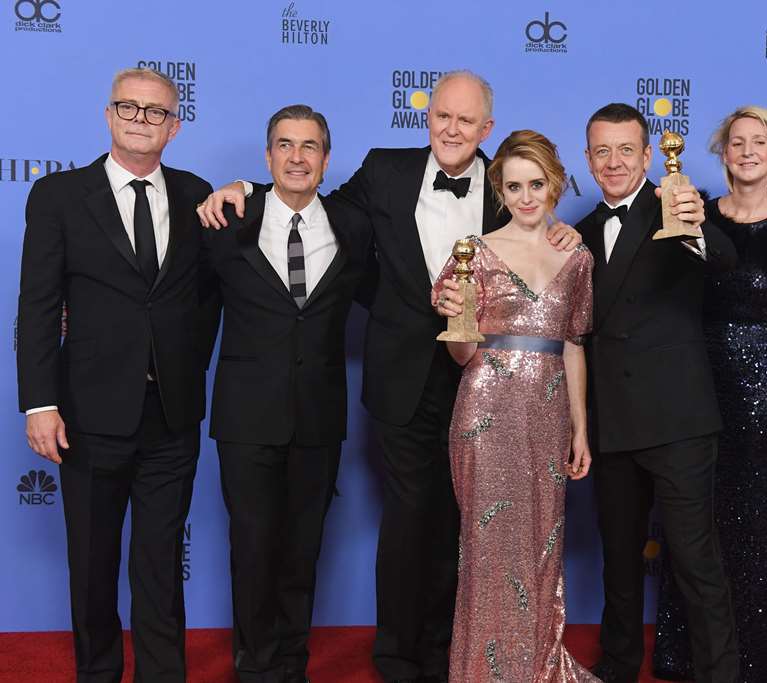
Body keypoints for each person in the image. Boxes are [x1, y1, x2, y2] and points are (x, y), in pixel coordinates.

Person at [195, 70, 579, 682]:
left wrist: (560, 225)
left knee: (467, 520)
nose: (451, 129)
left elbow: (537, 228)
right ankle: (398, 656)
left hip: (489, 382)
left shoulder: (503, 185)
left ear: (486, 128)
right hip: (402, 376)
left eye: (465, 120)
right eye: (442, 116)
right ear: (427, 116)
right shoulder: (383, 170)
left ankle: (452, 653)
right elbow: (309, 201)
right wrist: (246, 187)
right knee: (408, 516)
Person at [16, 67, 213, 682]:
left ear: (174, 127)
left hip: (171, 416)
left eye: (156, 111)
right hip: (88, 414)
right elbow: (38, 305)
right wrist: (39, 402)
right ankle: (97, 674)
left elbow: (207, 297)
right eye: (128, 107)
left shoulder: (196, 194)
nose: (140, 119)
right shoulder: (59, 196)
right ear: (108, 115)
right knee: (92, 564)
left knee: (160, 566)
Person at [200, 105, 373, 683]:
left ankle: (292, 666)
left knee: (303, 552)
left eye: (309, 146)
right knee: (252, 551)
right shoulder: (228, 219)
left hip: (319, 416)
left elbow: (389, 292)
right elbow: (181, 304)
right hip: (246, 418)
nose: (297, 157)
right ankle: (255, 668)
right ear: (268, 155)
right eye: (285, 145)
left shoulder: (352, 225)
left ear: (326, 158)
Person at [652, 106, 767, 683]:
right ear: (723, 152)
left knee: (752, 534)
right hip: (693, 389)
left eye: (759, 142)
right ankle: (686, 657)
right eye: (737, 142)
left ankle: (755, 664)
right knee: (689, 528)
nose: (747, 151)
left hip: (762, 397)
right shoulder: (692, 212)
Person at [577, 103, 740, 683]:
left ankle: (720, 674)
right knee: (619, 561)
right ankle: (618, 666)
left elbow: (724, 258)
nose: (614, 162)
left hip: (677, 421)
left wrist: (696, 226)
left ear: (649, 156)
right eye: (602, 151)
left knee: (696, 561)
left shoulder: (676, 206)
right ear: (588, 160)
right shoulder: (579, 234)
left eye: (626, 149)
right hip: (612, 423)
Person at [433, 129, 597, 681]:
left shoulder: (577, 257)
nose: (527, 197)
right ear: (500, 191)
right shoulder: (474, 254)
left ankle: (535, 668)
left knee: (543, 543)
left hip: (548, 414)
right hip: (485, 412)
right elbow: (460, 355)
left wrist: (580, 428)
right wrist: (460, 315)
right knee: (487, 549)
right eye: (514, 186)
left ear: (555, 185)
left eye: (536, 184)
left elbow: (573, 344)